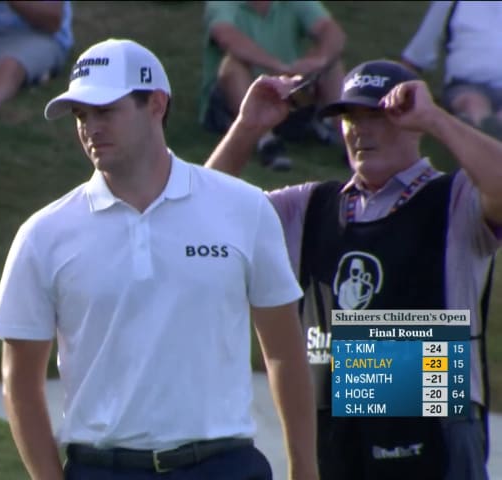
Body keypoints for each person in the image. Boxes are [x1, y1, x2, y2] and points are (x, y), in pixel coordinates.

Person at [0, 38, 319, 480]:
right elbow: (20, 380)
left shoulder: (245, 208)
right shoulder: (42, 235)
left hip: (225, 466)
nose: (90, 128)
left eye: (106, 111)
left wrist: (304, 469)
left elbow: (282, 351)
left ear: (156, 104)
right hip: (102, 469)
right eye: (81, 115)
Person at [204, 59, 502, 479]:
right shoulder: (308, 206)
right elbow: (197, 218)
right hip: (335, 434)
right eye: (348, 117)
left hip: (433, 435)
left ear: (412, 123)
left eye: (375, 115)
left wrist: (436, 118)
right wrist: (248, 126)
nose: (359, 129)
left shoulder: (455, 199)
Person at [199, 0, 346, 171]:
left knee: (331, 64)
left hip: (287, 93)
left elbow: (331, 31)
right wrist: (278, 66)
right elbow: (226, 36)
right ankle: (266, 143)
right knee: (231, 66)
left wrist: (317, 60)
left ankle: (347, 136)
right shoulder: (223, 4)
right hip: (232, 105)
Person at [401, 1, 502, 137]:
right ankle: (484, 133)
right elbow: (418, 53)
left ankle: (485, 136)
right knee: (472, 104)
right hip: (466, 86)